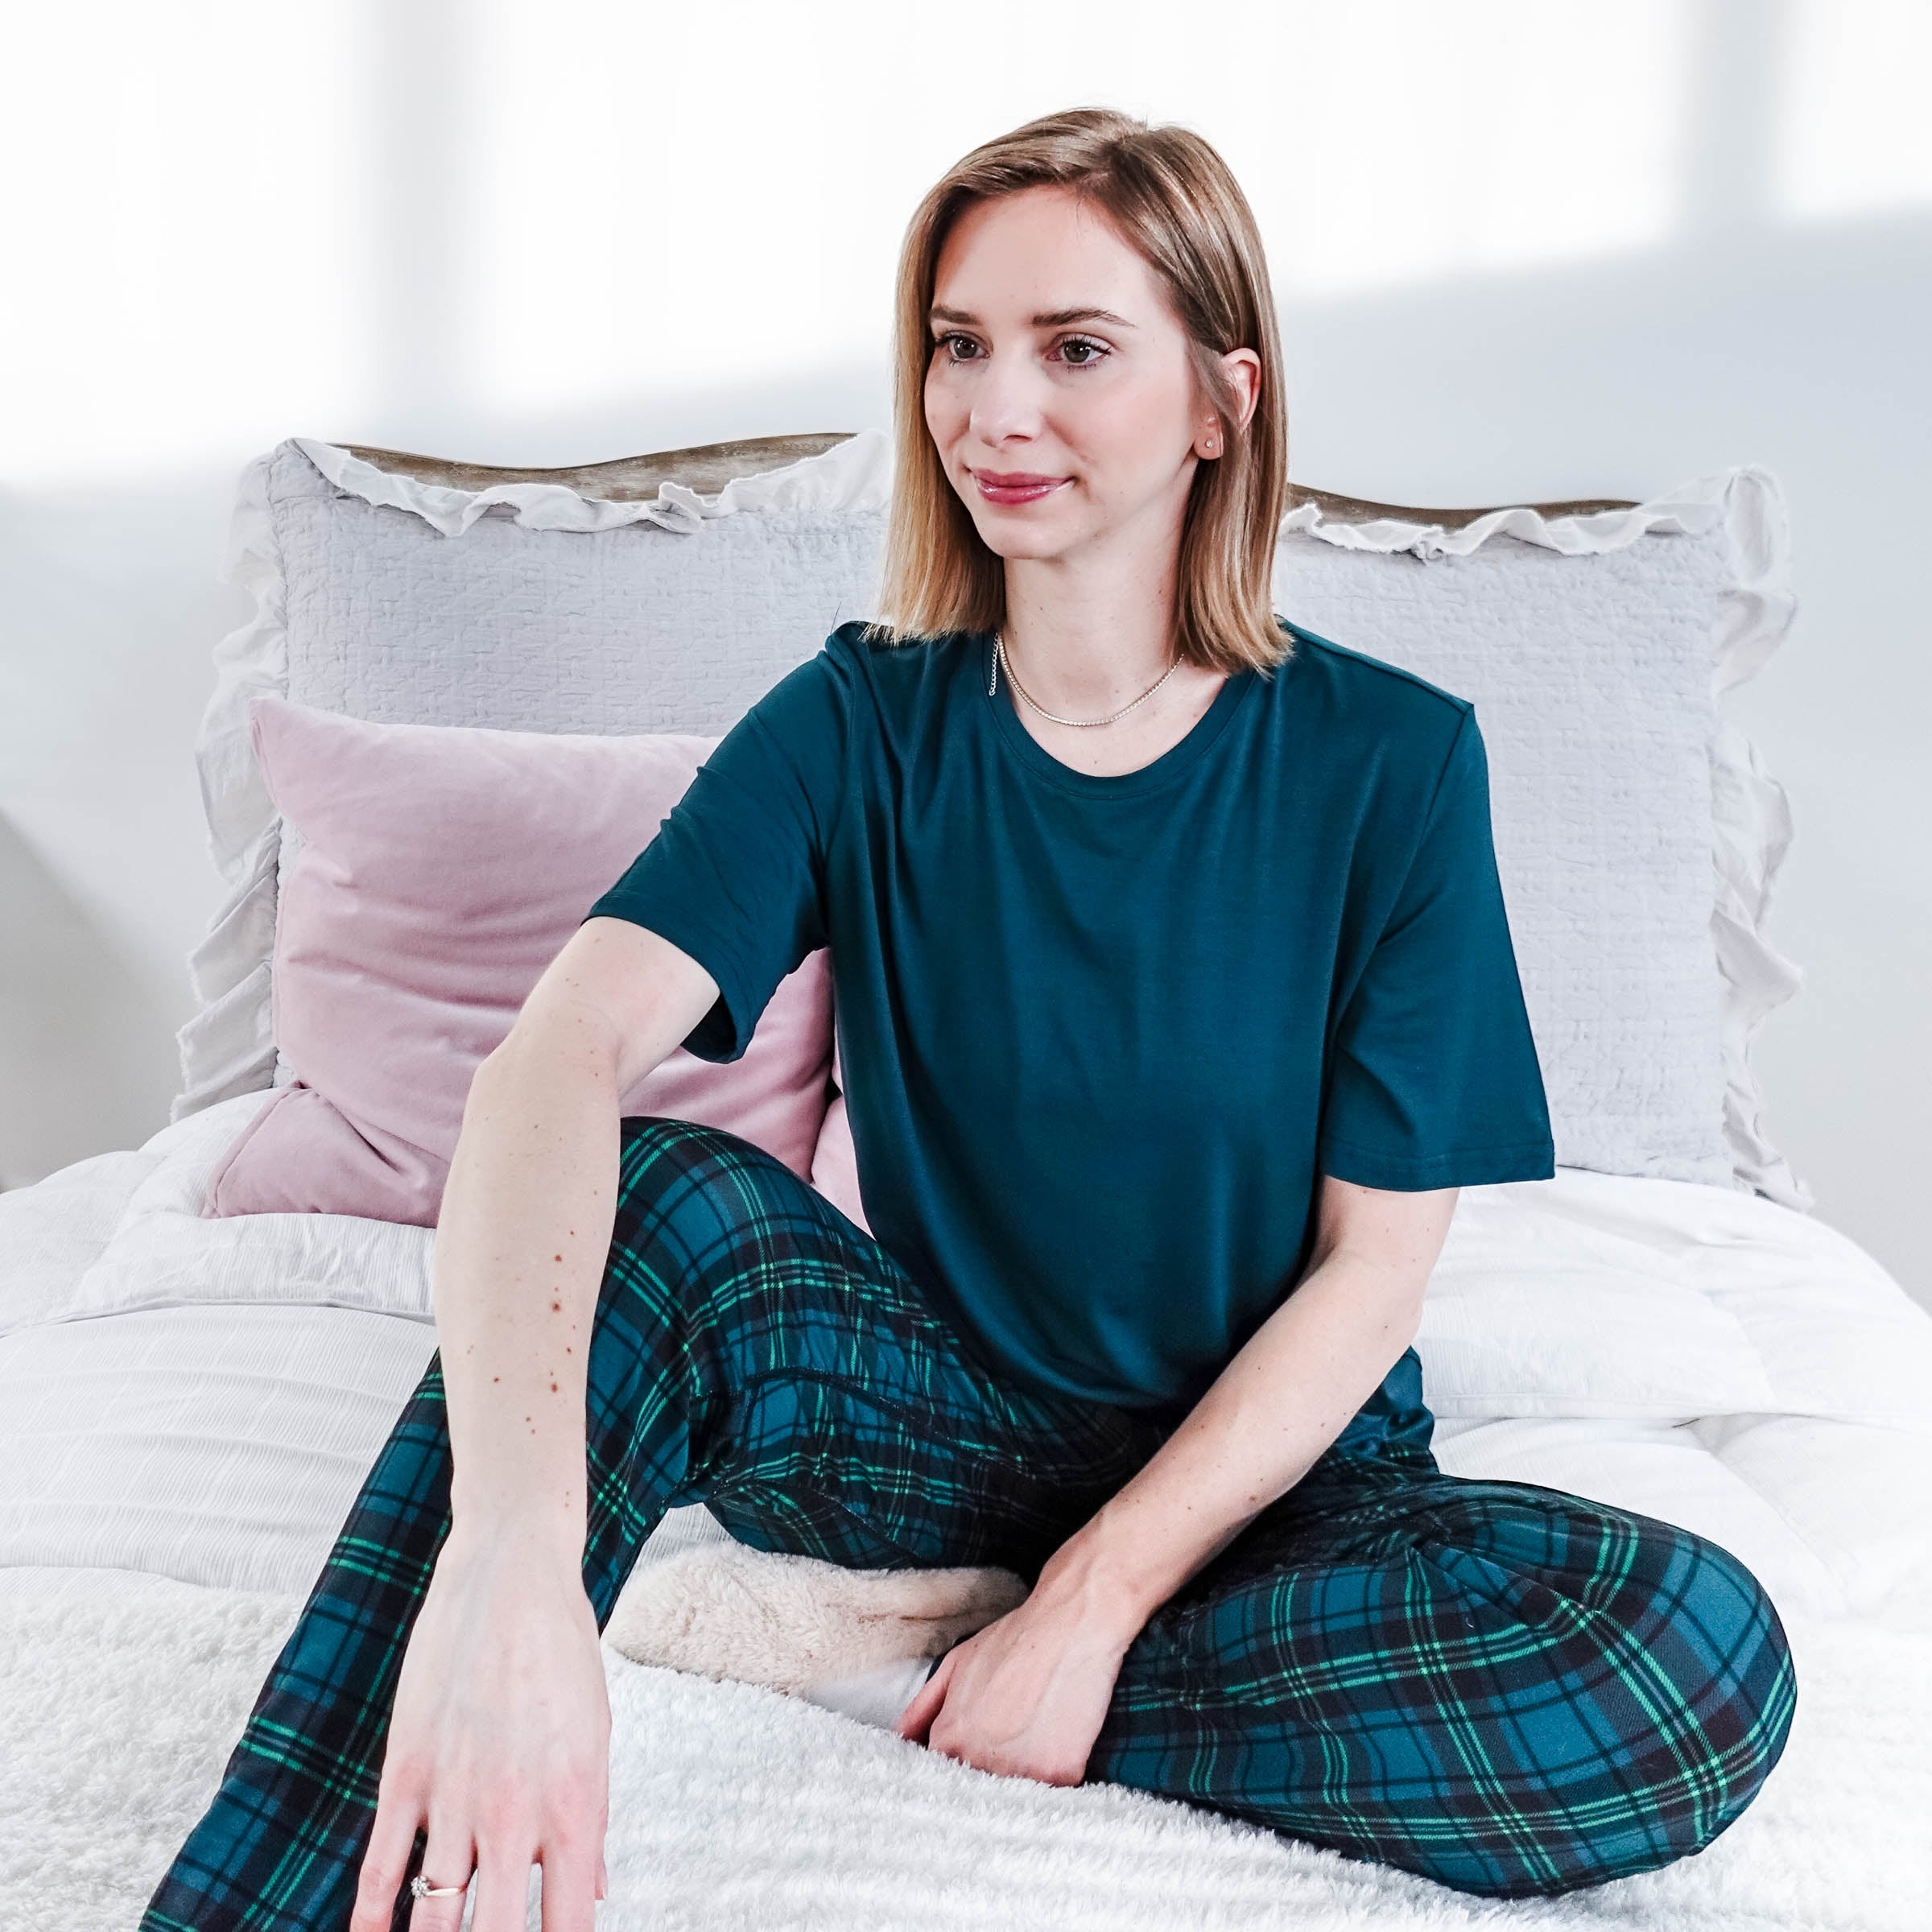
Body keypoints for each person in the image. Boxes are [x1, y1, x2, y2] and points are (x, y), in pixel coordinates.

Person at [142, 106, 1795, 1932]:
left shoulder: (1392, 762)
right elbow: (553, 1057)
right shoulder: (862, 718)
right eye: (958, 345)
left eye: (1076, 349)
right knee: (662, 1207)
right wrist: (515, 1562)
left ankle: (939, 1662)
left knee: (1688, 1659)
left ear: (1222, 400)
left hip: (1267, 1489)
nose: (997, 411)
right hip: (932, 1425)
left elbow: (1370, 1283)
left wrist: (1087, 1604)